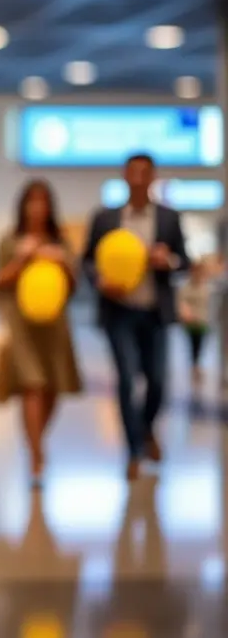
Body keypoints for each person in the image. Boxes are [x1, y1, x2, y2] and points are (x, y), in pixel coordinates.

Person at [82, 153, 189, 481]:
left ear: (154, 177)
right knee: (127, 380)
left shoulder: (169, 219)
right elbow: (87, 261)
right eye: (133, 172)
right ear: (125, 177)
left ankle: (146, 429)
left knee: (157, 381)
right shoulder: (105, 218)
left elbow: (184, 262)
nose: (139, 178)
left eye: (146, 172)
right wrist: (100, 280)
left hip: (154, 312)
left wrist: (167, 260)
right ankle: (134, 451)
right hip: (119, 313)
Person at [0, 180, 82, 487]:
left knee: (53, 387)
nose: (37, 208)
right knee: (32, 385)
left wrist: (61, 262)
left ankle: (36, 440)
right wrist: (23, 259)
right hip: (21, 324)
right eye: (32, 202)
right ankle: (36, 457)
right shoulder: (10, 240)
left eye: (43, 202)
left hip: (55, 324)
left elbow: (74, 284)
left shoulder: (60, 240)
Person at [177, 256, 213, 385]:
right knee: (193, 343)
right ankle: (194, 364)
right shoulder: (186, 287)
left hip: (203, 320)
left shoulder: (206, 286)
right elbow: (181, 301)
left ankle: (197, 363)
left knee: (201, 343)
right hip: (191, 321)